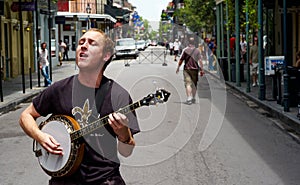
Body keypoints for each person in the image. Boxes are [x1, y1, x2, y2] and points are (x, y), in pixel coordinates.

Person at [19, 28, 140, 185]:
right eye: (81, 42)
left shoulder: (118, 95)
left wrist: (124, 135)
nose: (83, 46)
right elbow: (25, 116)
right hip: (62, 181)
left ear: (106, 55)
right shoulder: (59, 89)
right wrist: (40, 136)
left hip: (105, 180)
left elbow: (126, 152)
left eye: (92, 43)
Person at [176, 37, 204, 105]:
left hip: (187, 69)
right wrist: (202, 69)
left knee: (188, 84)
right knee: (194, 84)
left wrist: (178, 67)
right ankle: (193, 97)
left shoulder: (185, 50)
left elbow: (181, 59)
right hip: (195, 69)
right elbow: (200, 60)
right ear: (194, 42)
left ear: (188, 42)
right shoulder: (197, 50)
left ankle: (189, 98)